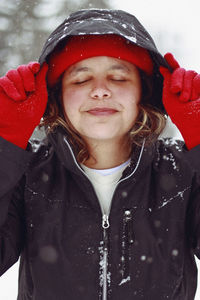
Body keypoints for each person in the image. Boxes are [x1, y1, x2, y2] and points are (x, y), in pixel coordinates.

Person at [0, 8, 200, 300]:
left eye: (118, 78)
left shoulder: (181, 173)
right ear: (57, 95)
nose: (100, 90)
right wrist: (5, 143)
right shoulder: (28, 176)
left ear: (142, 92)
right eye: (81, 80)